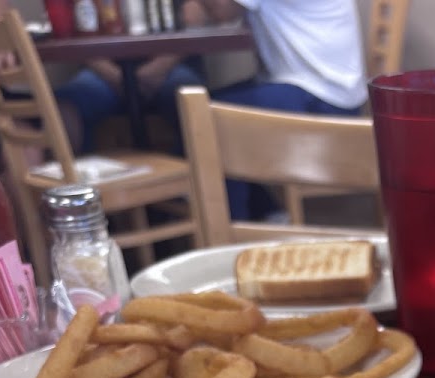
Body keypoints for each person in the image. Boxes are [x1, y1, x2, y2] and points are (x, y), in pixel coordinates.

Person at [198, 0, 367, 218]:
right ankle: (266, 215)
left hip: (322, 101)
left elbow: (221, 11)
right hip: (330, 94)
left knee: (209, 118)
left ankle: (232, 224)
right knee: (205, 106)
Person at [52, 1, 212, 155]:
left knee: (193, 101)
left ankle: (189, 171)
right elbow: (76, 26)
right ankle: (80, 172)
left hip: (173, 65)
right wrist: (115, 76)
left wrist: (157, 69)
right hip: (104, 71)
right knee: (65, 107)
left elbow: (200, 18)